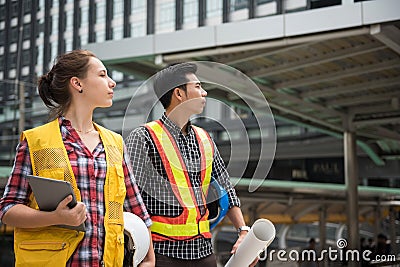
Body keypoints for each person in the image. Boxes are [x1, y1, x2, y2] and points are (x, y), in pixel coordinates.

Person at [0, 49, 155, 267]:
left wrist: (148, 260)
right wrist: (56, 218)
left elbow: (135, 207)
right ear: (77, 83)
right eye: (102, 75)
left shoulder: (115, 143)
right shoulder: (36, 142)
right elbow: (8, 209)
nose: (112, 83)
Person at [125, 63, 257, 267]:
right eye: (197, 86)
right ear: (179, 93)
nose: (204, 92)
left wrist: (243, 232)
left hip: (203, 252)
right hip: (161, 253)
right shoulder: (143, 138)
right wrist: (146, 255)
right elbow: (131, 200)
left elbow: (226, 190)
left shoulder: (205, 138)